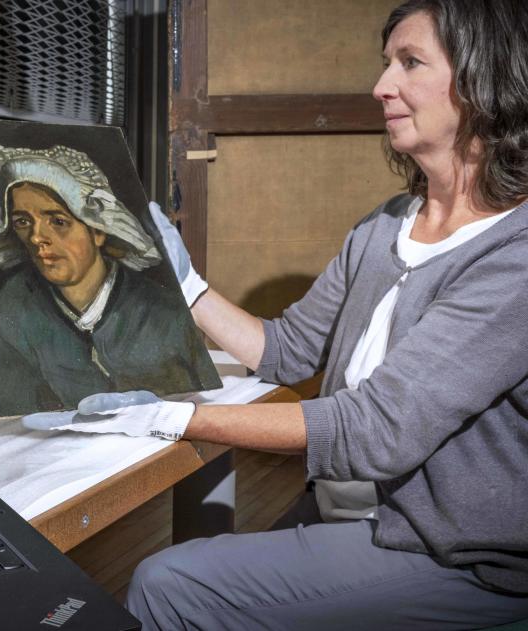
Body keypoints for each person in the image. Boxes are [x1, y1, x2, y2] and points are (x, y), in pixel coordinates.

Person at [29, 0, 528, 627]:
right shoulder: (384, 227)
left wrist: (173, 417)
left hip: (454, 557)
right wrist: (186, 286)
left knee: (167, 582)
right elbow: (288, 349)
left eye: (410, 62)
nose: (381, 87)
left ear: (485, 82)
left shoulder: (516, 255)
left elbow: (374, 428)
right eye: (385, 64)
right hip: (346, 513)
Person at [0, 144, 220, 417]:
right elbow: (15, 403)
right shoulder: (16, 302)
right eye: (22, 222)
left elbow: (195, 400)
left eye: (57, 221)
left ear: (98, 231)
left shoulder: (162, 311)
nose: (36, 237)